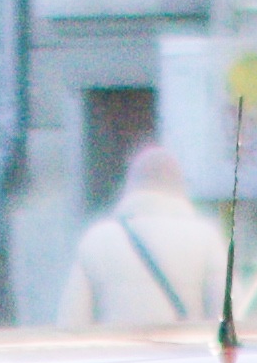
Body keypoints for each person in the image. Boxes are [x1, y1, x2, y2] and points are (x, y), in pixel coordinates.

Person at [60, 139, 228, 326]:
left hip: (123, 354)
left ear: (130, 185)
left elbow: (72, 322)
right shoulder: (205, 238)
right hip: (183, 353)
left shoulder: (96, 240)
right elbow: (227, 315)